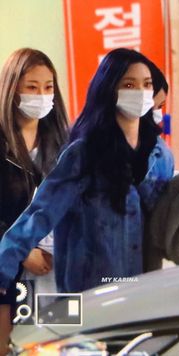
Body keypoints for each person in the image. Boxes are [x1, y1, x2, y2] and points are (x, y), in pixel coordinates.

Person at [0, 48, 174, 297]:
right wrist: (6, 265)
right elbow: (41, 212)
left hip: (142, 286)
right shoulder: (84, 154)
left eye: (147, 85)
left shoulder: (160, 154)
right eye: (129, 84)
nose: (140, 93)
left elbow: (170, 213)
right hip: (89, 289)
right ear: (109, 89)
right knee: (53, 333)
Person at [0, 48, 68, 355]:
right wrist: (23, 250)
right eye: (32, 87)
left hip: (58, 272)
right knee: (13, 346)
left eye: (48, 87)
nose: (42, 95)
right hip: (9, 270)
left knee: (58, 344)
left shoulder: (66, 144)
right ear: (12, 88)